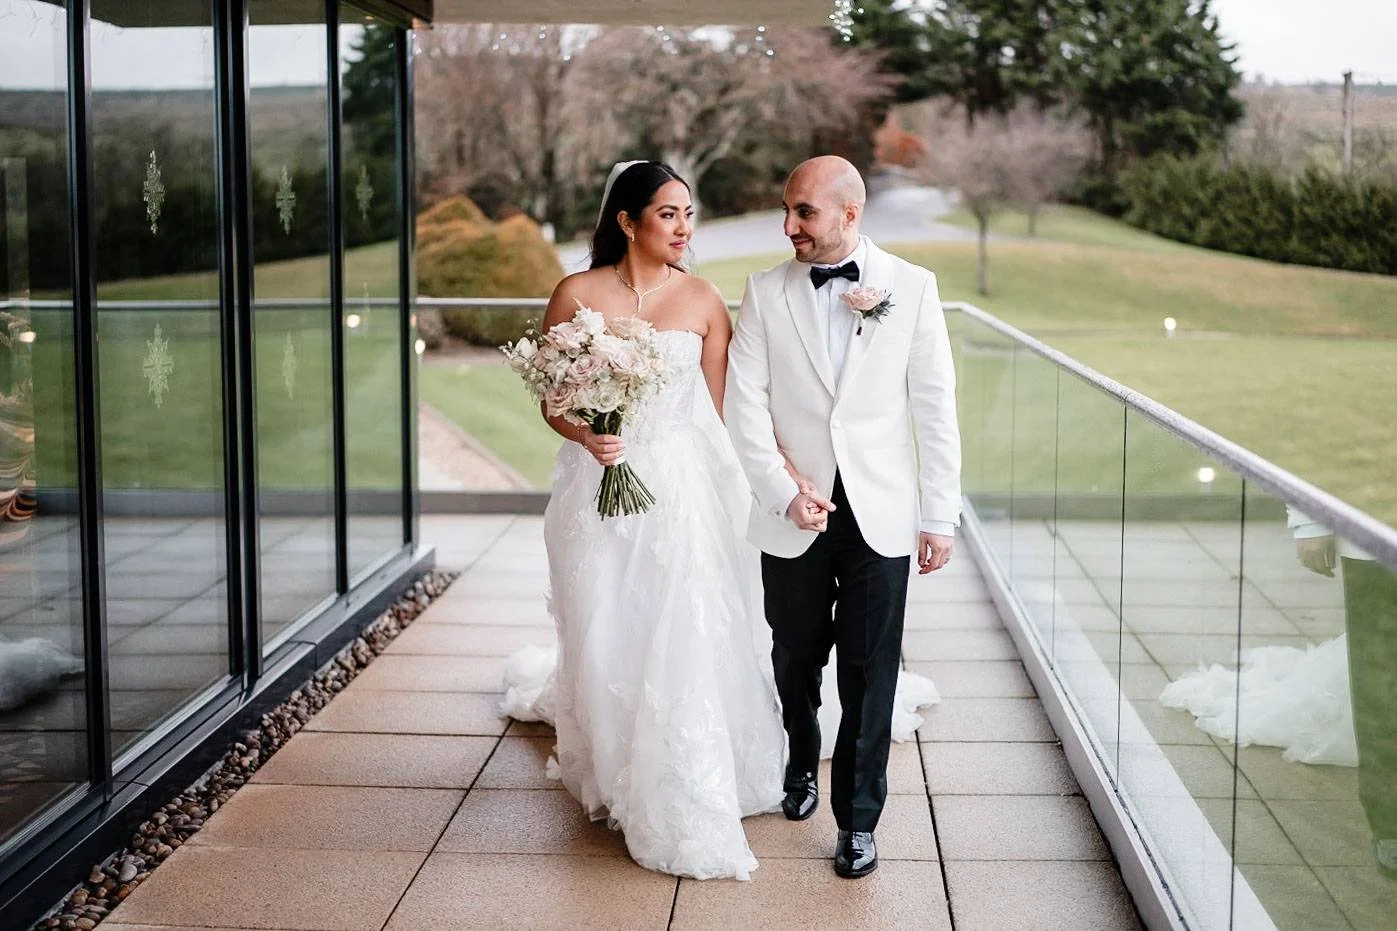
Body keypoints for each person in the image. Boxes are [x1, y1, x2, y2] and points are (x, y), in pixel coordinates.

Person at [501, 160, 939, 882]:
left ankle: (699, 777)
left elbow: (731, 409)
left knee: (682, 625)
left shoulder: (705, 299)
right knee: (606, 628)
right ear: (626, 220)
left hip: (681, 488)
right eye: (669, 213)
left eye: (688, 214)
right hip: (597, 488)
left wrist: (781, 476)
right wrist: (588, 435)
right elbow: (553, 401)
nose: (683, 228)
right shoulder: (574, 294)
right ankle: (617, 768)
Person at [725, 156, 962, 879]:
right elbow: (744, 406)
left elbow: (934, 406)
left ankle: (857, 819)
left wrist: (938, 515)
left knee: (870, 671)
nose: (789, 225)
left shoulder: (913, 289)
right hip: (794, 515)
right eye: (787, 210)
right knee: (795, 658)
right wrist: (780, 488)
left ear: (849, 215)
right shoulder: (764, 293)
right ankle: (798, 756)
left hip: (881, 517)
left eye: (804, 212)